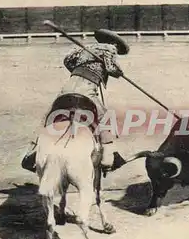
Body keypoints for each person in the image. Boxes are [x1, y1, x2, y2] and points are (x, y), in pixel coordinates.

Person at [21, 29, 129, 173]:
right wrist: (119, 73)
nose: (116, 49)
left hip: (67, 88)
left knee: (48, 115)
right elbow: (110, 67)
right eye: (117, 47)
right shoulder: (110, 48)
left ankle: (32, 151)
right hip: (87, 89)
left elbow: (67, 60)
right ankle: (109, 156)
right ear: (114, 43)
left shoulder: (84, 48)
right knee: (103, 116)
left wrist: (79, 68)